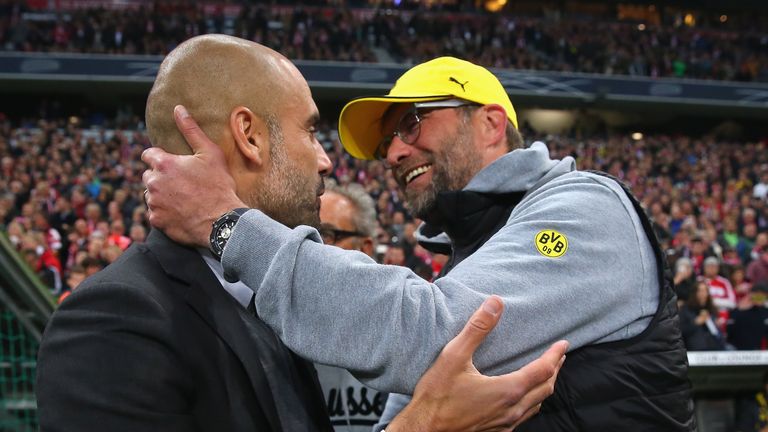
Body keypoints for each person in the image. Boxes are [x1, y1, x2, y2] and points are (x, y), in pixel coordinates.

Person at [37, 35, 567, 432]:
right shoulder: (115, 317)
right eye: (310, 130)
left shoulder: (270, 297)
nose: (324, 160)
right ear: (249, 135)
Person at [143, 55, 693, 430]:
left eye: (411, 123)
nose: (394, 152)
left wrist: (227, 225)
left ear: (491, 123)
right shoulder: (468, 260)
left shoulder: (584, 209)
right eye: (387, 141)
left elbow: (425, 331)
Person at [315, 181, 387, 431]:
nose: (311, 248)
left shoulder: (401, 330)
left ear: (365, 248)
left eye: (326, 235)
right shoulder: (273, 333)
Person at [678, 278, 728, 351]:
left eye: (705, 291)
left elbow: (717, 334)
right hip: (696, 350)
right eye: (700, 291)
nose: (703, 294)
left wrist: (716, 325)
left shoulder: (712, 310)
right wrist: (696, 323)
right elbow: (680, 331)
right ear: (694, 293)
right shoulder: (686, 309)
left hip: (715, 348)